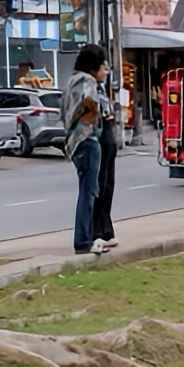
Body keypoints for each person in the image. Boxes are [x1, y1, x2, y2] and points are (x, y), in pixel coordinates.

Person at [62, 44, 109, 255]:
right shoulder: (89, 82)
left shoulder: (72, 80)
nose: (106, 69)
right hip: (87, 140)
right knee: (89, 193)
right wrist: (97, 122)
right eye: (103, 65)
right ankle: (83, 241)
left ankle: (85, 239)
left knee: (86, 191)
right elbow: (91, 105)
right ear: (93, 67)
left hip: (73, 143)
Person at [89, 79, 119, 249]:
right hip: (98, 134)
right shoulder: (86, 84)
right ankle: (96, 231)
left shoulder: (100, 86)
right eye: (103, 66)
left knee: (108, 183)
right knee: (99, 184)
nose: (106, 69)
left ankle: (107, 229)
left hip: (107, 131)